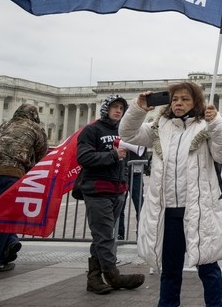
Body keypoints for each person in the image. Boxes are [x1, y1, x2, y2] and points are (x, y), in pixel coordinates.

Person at [118, 82, 222, 307]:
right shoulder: (159, 126)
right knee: (170, 270)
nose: (179, 103)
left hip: (198, 211)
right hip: (168, 211)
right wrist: (139, 108)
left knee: (208, 268)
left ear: (196, 103)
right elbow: (127, 133)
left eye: (185, 99)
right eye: (175, 99)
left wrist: (216, 123)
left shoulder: (206, 126)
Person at [76, 94, 145, 295]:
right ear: (106, 108)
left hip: (118, 190)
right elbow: (83, 156)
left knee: (102, 237)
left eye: (121, 108)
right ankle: (114, 275)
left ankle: (94, 278)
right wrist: (113, 155)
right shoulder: (92, 130)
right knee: (106, 235)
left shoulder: (123, 131)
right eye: (114, 107)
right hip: (97, 189)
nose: (118, 111)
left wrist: (123, 179)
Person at [0, 104, 48, 272]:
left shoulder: (4, 124)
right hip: (11, 173)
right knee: (6, 217)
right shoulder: (34, 127)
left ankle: (11, 243)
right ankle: (0, 257)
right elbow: (42, 154)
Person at [117, 149, 147, 240]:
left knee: (140, 206)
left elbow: (142, 149)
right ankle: (119, 234)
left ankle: (141, 234)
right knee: (119, 206)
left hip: (136, 173)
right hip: (122, 173)